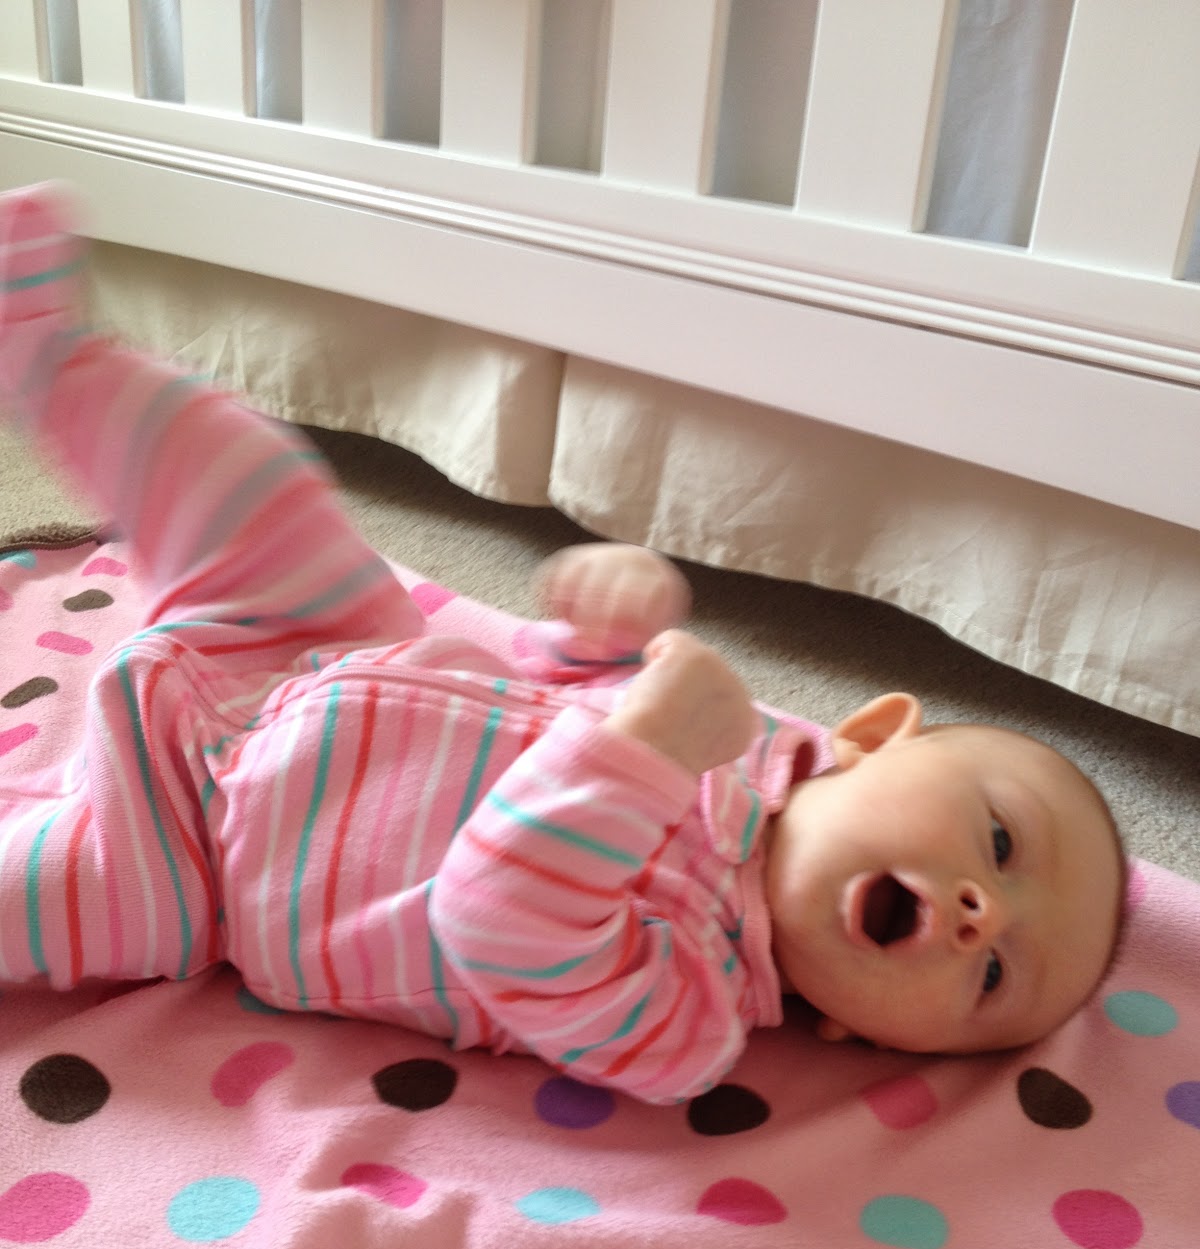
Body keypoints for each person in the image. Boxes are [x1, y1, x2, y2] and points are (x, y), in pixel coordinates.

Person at [0, 184, 1126, 1102]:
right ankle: (48, 357)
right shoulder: (742, 739)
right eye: (999, 840)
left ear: (862, 1035)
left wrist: (642, 754)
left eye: (994, 975)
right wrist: (602, 637)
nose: (984, 914)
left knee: (36, 905)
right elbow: (545, 696)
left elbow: (499, 920)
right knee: (261, 485)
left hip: (195, 866)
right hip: (317, 651)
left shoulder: (687, 1023)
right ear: (872, 737)